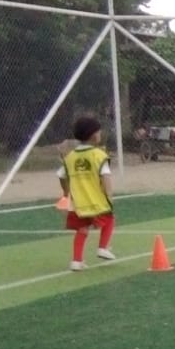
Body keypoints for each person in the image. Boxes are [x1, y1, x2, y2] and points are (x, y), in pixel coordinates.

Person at [57, 115, 115, 271]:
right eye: (99, 132)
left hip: (78, 203)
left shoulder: (70, 157)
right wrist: (109, 195)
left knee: (82, 230)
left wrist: (66, 192)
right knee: (109, 219)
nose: (100, 134)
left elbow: (61, 176)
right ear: (94, 135)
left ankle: (76, 261)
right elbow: (105, 176)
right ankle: (103, 247)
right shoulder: (99, 155)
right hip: (96, 201)